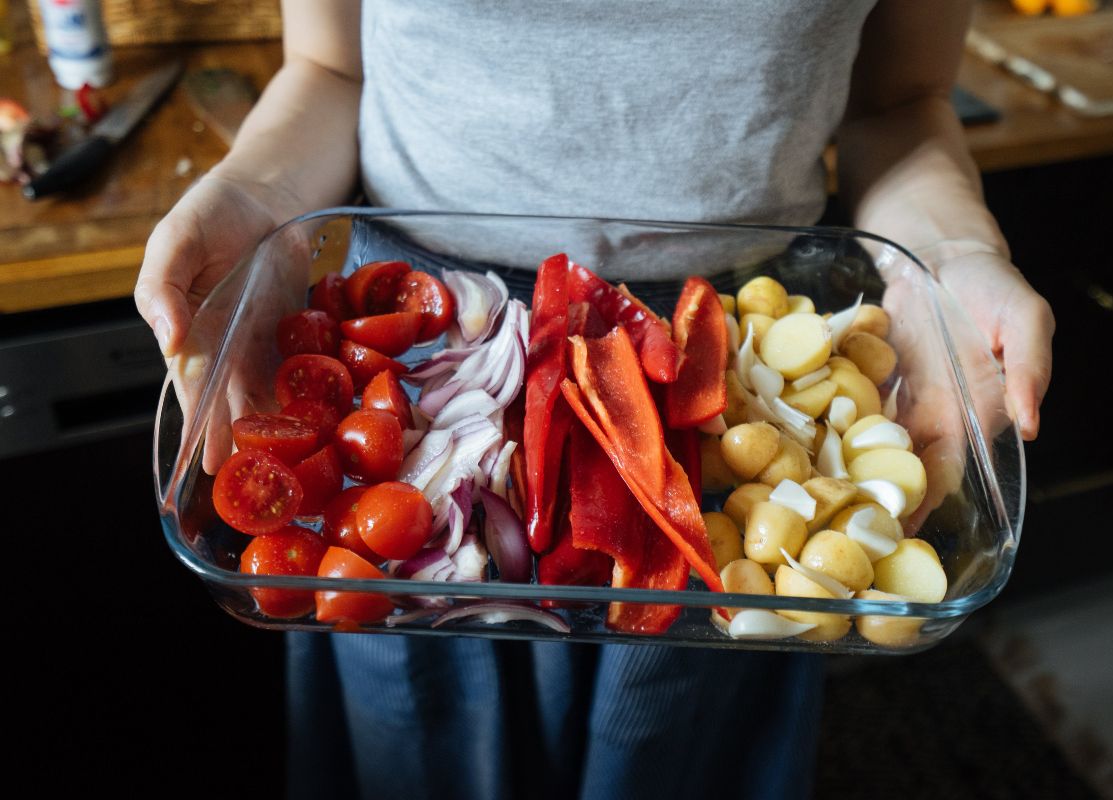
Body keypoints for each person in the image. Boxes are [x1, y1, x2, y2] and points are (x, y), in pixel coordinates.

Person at [135, 2, 1055, 799]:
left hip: (716, 367)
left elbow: (900, 102)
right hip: (418, 366)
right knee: (420, 746)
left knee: (672, 747)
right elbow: (332, 67)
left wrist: (952, 255)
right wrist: (254, 199)